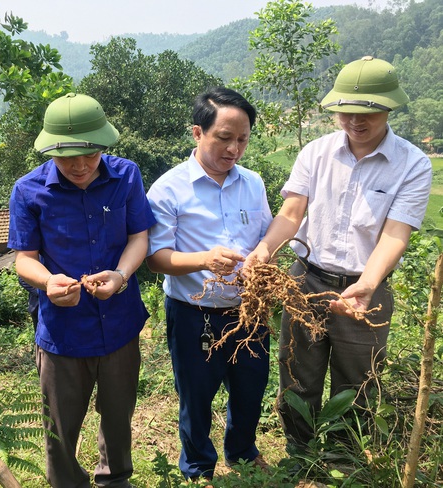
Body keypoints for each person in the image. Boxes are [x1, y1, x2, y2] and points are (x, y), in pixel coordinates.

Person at [245, 56, 432, 453]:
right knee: (298, 376)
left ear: (388, 108)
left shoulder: (412, 164)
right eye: (345, 112)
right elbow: (292, 212)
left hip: (366, 288)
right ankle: (300, 457)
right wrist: (265, 249)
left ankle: (344, 461)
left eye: (368, 113)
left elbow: (395, 235)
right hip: (305, 278)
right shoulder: (316, 152)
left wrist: (367, 284)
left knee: (358, 381)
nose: (354, 122)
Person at [8, 92, 156, 488]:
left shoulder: (125, 175)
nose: (80, 165)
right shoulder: (28, 190)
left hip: (119, 323)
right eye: (67, 156)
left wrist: (121, 276)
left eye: (90, 155)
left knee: (118, 413)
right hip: (62, 329)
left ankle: (116, 479)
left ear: (103, 146)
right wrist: (48, 282)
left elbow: (139, 237)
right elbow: (24, 258)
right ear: (49, 150)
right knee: (60, 427)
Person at [146, 87, 273, 482]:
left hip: (250, 312)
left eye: (242, 139)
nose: (234, 148)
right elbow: (156, 258)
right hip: (193, 313)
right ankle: (198, 465)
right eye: (224, 137)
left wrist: (262, 263)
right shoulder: (168, 188)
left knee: (251, 387)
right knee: (196, 395)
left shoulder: (253, 183)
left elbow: (267, 239)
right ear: (197, 133)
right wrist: (204, 260)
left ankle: (242, 451)